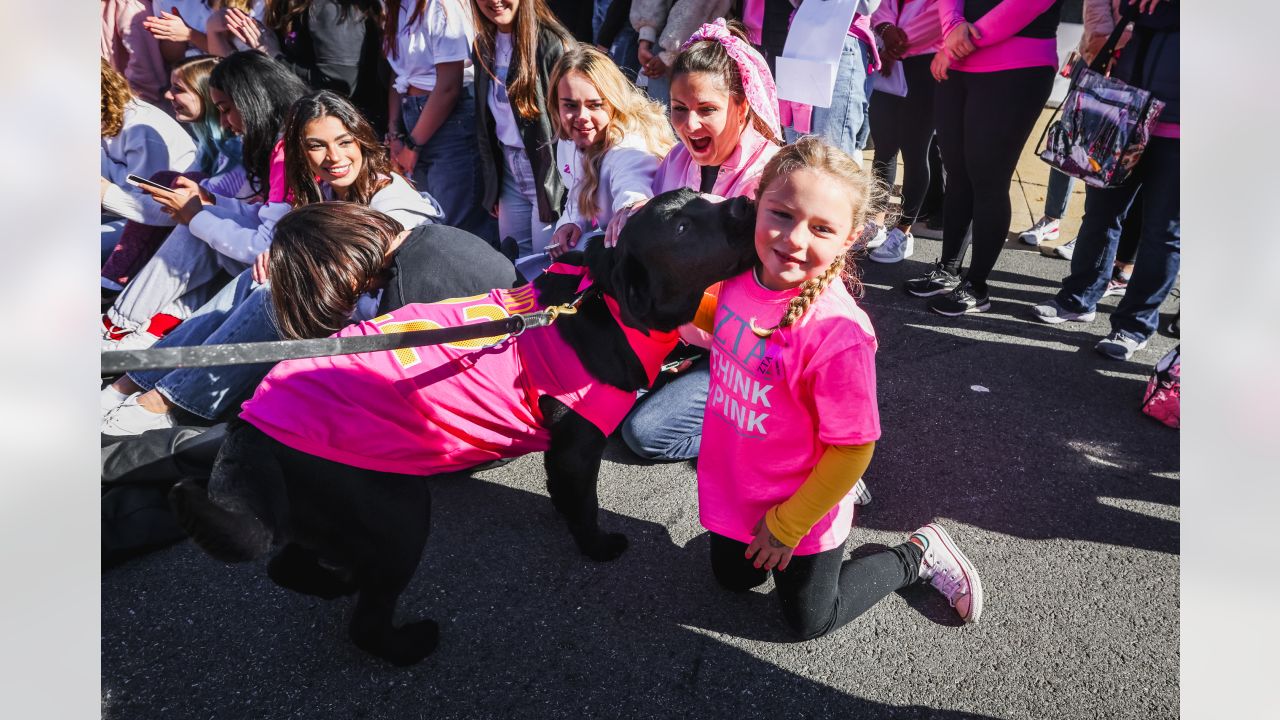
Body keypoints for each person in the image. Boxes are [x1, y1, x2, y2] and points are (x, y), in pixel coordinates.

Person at [694, 135, 983, 638]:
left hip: (805, 500)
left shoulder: (837, 334)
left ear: (849, 239)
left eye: (821, 228)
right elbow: (716, 321)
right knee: (732, 581)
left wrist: (786, 526)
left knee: (809, 622)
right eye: (781, 214)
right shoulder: (736, 277)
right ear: (756, 204)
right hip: (739, 482)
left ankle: (916, 553)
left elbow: (852, 451)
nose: (794, 239)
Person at [102, 90, 452, 434]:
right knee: (258, 278)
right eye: (317, 145)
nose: (334, 156)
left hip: (388, 332)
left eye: (344, 142)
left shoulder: (392, 205)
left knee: (274, 291)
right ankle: (134, 380)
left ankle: (168, 402)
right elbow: (270, 227)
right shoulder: (330, 190)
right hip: (340, 312)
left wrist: (290, 263)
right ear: (301, 151)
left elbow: (373, 295)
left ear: (362, 140)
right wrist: (212, 207)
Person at [606, 18, 783, 462]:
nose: (689, 123)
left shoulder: (774, 180)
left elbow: (772, 294)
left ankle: (784, 430)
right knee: (600, 402)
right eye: (678, 109)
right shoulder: (675, 161)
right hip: (689, 338)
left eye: (706, 109)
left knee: (645, 434)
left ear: (741, 107)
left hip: (753, 351)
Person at [102, 51, 309, 350]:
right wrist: (210, 202)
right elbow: (262, 217)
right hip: (269, 262)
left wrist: (198, 215)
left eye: (226, 109)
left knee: (197, 228)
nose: (225, 122)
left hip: (286, 274)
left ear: (251, 103)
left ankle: (119, 325)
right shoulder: (276, 142)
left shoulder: (285, 149)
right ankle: (139, 331)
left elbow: (264, 246)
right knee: (200, 222)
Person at [1030, 0, 1179, 361]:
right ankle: (1078, 298)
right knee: (1100, 214)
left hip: (1180, 123)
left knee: (1163, 231)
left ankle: (1134, 325)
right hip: (1122, 111)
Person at [903, 0, 1062, 316]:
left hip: (1017, 67)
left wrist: (958, 42)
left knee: (988, 178)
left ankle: (977, 286)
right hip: (958, 64)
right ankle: (948, 269)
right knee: (958, 173)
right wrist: (952, 29)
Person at [102, 55, 247, 292]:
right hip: (179, 236)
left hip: (225, 252)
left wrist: (106, 194)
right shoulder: (208, 144)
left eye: (178, 89)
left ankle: (111, 291)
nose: (168, 96)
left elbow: (166, 212)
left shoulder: (235, 150)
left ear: (206, 96)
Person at [470, 0, 575, 275]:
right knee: (514, 263)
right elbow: (485, 123)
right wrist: (492, 183)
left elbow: (570, 119)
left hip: (546, 166)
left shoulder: (552, 43)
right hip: (508, 169)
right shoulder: (483, 45)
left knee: (548, 265)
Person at [545, 45, 674, 266]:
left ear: (614, 103)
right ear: (556, 105)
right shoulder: (573, 137)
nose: (581, 117)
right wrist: (572, 222)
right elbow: (578, 185)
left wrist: (631, 208)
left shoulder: (627, 146)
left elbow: (632, 185)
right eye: (570, 105)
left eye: (595, 105)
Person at [383, 0, 492, 239]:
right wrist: (394, 133)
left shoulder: (443, 5)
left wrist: (413, 145)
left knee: (455, 230)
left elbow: (449, 87)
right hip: (412, 120)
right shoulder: (395, 5)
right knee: (427, 224)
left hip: (449, 122)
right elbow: (398, 73)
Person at [865, 0, 944, 264]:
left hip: (924, 65)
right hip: (887, 60)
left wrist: (895, 47)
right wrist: (885, 29)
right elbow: (882, 5)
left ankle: (903, 231)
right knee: (883, 150)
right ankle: (876, 222)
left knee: (915, 151)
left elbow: (940, 15)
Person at [100, 59, 199, 265]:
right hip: (121, 214)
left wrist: (103, 190)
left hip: (157, 227)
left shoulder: (140, 128)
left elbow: (143, 203)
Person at [629, 0, 728, 105]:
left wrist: (668, 54)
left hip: (699, 48)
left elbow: (698, 6)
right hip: (663, 48)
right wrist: (646, 36)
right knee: (663, 110)